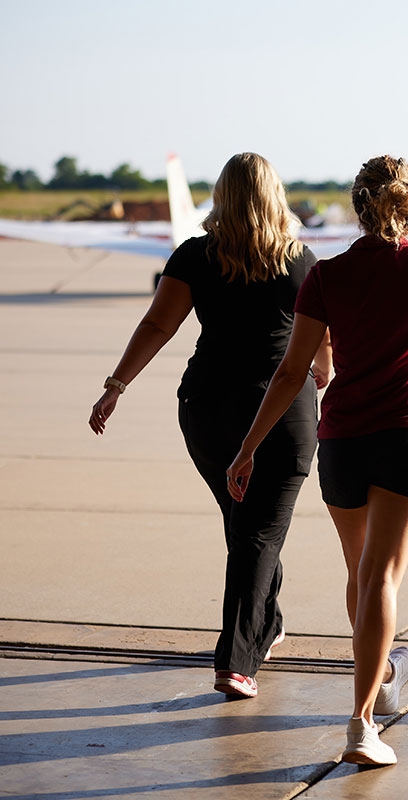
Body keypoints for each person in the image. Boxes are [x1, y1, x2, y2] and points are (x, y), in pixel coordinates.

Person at [226, 155, 408, 765]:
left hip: (342, 438)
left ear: (360, 206)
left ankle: (387, 671)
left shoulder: (328, 274)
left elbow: (293, 371)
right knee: (381, 578)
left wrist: (247, 447)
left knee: (363, 575)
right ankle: (362, 722)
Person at [89, 152, 332, 699]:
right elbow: (322, 344)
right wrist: (325, 376)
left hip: (206, 408)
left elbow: (158, 324)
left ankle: (264, 625)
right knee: (259, 532)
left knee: (246, 526)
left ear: (221, 196)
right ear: (276, 196)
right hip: (283, 412)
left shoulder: (195, 257)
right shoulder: (302, 262)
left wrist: (115, 386)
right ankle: (236, 660)